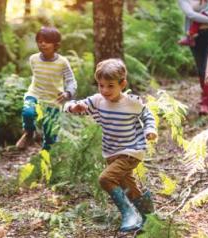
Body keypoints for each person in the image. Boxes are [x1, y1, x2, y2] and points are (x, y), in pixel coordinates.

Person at [64, 59, 157, 232]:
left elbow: (147, 115)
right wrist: (75, 107)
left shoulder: (131, 103)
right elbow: (69, 106)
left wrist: (150, 130)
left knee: (106, 179)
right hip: (111, 152)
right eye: (101, 85)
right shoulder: (98, 101)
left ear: (123, 84)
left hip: (132, 150)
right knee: (127, 185)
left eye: (110, 86)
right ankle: (149, 217)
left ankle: (129, 213)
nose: (105, 90)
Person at [15, 26, 77, 150]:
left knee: (50, 136)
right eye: (39, 41)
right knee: (28, 113)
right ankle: (29, 133)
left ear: (56, 44)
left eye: (47, 41)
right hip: (34, 94)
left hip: (53, 100)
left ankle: (48, 158)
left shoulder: (62, 62)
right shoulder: (33, 59)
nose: (42, 44)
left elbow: (71, 81)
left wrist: (68, 93)